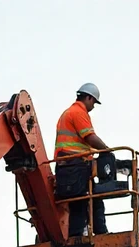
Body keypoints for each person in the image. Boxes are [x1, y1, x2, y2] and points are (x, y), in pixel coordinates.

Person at [54, 83, 109, 236]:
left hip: (67, 166)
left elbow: (80, 142)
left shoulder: (67, 113)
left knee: (91, 199)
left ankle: (96, 232)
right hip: (75, 165)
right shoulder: (79, 112)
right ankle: (82, 235)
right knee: (82, 201)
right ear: (89, 98)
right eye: (93, 103)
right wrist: (107, 150)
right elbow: (90, 137)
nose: (93, 106)